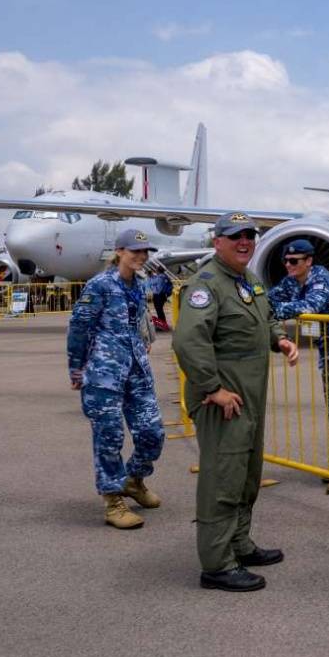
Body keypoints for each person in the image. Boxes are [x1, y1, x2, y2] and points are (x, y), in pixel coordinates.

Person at [172, 211, 300, 592]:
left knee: (246, 475)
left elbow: (265, 317)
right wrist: (212, 389)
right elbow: (188, 341)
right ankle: (217, 564)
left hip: (248, 397)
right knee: (222, 480)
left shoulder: (247, 280)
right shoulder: (206, 285)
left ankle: (240, 543)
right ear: (217, 242)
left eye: (249, 235)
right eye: (235, 236)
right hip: (222, 400)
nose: (244, 241)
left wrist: (279, 339)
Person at [66, 229, 167, 530]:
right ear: (119, 251)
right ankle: (113, 501)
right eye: (135, 251)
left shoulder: (138, 284)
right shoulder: (99, 285)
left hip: (136, 369)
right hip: (103, 374)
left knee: (153, 433)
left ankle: (133, 480)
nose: (141, 256)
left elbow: (138, 322)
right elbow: (79, 328)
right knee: (109, 437)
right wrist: (75, 369)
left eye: (145, 251)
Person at [268, 239, 329, 494]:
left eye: (294, 261)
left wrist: (276, 311)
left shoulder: (321, 278)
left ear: (309, 261)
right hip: (328, 349)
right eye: (286, 261)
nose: (288, 265)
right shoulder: (291, 280)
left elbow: (310, 306)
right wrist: (271, 307)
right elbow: (268, 300)